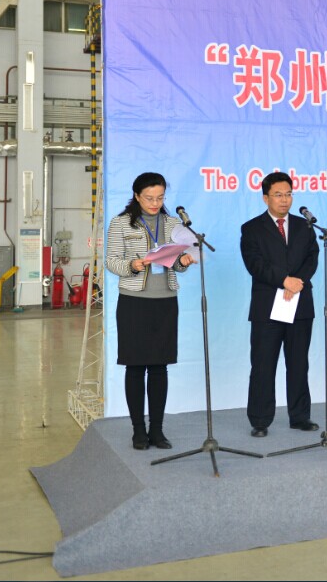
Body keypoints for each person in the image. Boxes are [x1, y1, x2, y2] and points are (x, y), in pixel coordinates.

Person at [104, 172, 194, 450]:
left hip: (165, 300)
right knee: (135, 366)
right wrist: (132, 265)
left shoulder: (173, 223)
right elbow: (111, 261)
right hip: (134, 302)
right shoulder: (120, 223)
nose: (155, 203)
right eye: (149, 198)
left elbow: (175, 262)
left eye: (160, 198)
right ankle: (138, 431)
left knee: (159, 367)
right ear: (136, 196)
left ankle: (157, 430)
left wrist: (184, 262)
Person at [240, 171, 319, 438]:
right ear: (266, 198)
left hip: (300, 303)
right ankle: (260, 419)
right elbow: (255, 264)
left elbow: (312, 257)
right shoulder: (251, 228)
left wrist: (297, 282)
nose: (284, 200)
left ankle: (300, 416)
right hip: (267, 306)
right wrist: (284, 280)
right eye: (278, 195)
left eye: (288, 194)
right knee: (263, 365)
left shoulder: (305, 226)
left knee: (299, 364)